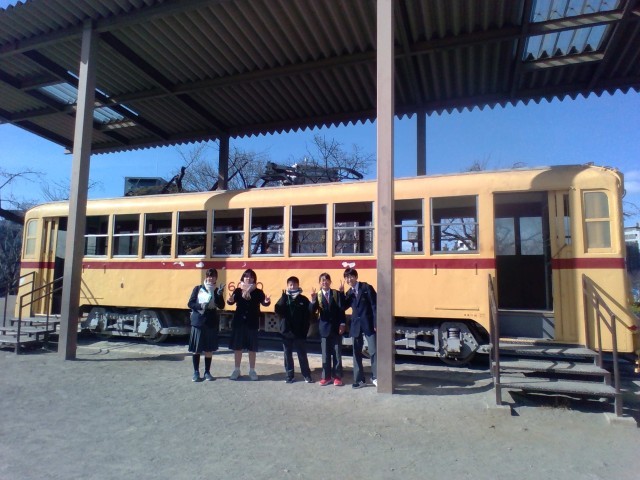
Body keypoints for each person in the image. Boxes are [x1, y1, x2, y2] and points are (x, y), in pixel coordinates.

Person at [227, 269, 270, 380]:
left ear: (254, 279)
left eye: (251, 277)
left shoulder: (258, 292)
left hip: (252, 322)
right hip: (239, 322)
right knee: (238, 347)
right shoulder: (238, 290)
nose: (248, 279)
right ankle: (237, 370)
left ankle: (252, 370)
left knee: (252, 348)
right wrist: (230, 300)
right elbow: (231, 301)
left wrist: (267, 301)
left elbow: (264, 303)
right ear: (243, 278)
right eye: (246, 276)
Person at [187, 268, 225, 382]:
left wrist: (219, 295)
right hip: (198, 321)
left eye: (213, 276)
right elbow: (190, 303)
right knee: (196, 349)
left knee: (209, 349)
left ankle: (207, 372)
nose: (211, 278)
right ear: (206, 277)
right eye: (209, 276)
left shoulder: (217, 290)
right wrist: (200, 306)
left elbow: (221, 306)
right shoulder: (198, 288)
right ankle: (196, 372)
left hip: (211, 321)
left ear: (216, 278)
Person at [274, 276, 314, 384]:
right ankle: (289, 375)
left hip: (300, 332)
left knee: (302, 354)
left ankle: (306, 375)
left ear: (298, 285)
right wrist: (283, 297)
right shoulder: (284, 298)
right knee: (287, 355)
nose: (292, 287)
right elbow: (277, 310)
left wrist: (313, 301)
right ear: (287, 286)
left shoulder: (303, 299)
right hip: (286, 332)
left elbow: (309, 314)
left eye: (294, 284)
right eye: (290, 285)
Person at [343, 267, 377, 389]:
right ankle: (359, 380)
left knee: (373, 351)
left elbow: (375, 306)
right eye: (347, 277)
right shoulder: (349, 293)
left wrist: (376, 323)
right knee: (356, 353)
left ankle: (376, 377)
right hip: (356, 326)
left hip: (369, 324)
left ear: (356, 277)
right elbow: (342, 307)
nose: (349, 279)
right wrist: (341, 294)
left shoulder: (366, 288)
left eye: (351, 276)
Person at [311, 272, 346, 386]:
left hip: (336, 328)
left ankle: (337, 377)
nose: (324, 282)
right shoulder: (318, 295)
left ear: (330, 282)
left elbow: (341, 309)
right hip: (324, 328)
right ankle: (326, 377)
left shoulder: (336, 294)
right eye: (322, 280)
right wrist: (313, 300)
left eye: (327, 280)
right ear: (319, 283)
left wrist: (342, 324)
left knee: (337, 354)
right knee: (325, 354)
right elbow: (311, 311)